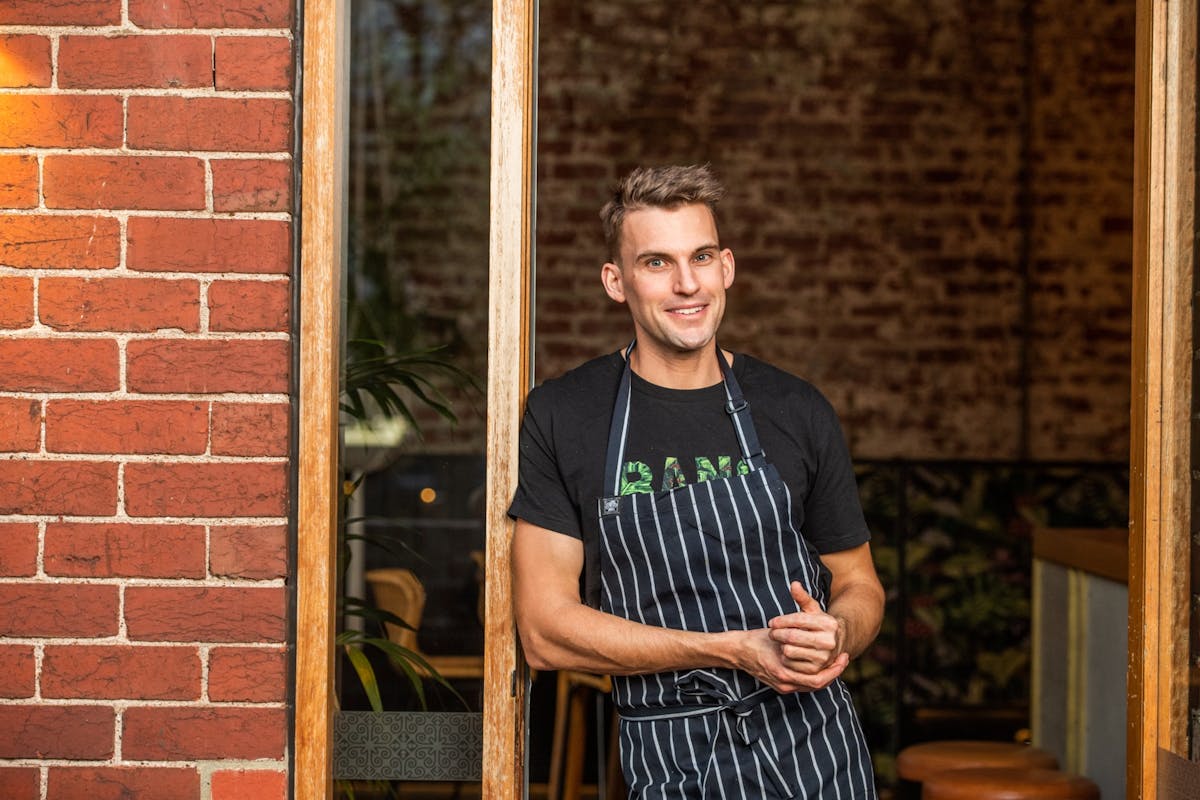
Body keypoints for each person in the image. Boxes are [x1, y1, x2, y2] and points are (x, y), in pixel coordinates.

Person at [509, 164, 884, 798]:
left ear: (727, 266)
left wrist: (838, 633)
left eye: (701, 257)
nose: (688, 284)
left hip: (816, 752)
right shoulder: (565, 414)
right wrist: (733, 650)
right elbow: (545, 630)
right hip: (671, 757)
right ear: (616, 282)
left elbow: (858, 583)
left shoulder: (796, 409)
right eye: (657, 263)